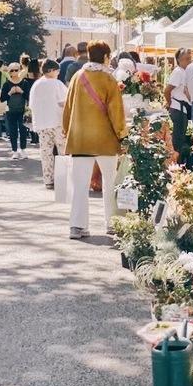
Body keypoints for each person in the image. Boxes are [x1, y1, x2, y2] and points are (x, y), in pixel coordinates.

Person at [63, 40, 127, 239]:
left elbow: (67, 108)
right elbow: (116, 112)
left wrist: (68, 131)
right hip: (105, 140)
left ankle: (77, 226)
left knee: (80, 184)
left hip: (80, 139)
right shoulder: (109, 79)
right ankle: (112, 224)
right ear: (106, 57)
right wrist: (122, 135)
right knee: (110, 183)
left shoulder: (77, 76)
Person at [29, 59, 68, 189]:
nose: (58, 73)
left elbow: (32, 105)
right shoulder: (57, 84)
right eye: (57, 70)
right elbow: (64, 102)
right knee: (63, 152)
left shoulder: (36, 85)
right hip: (57, 122)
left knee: (46, 153)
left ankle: (48, 179)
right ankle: (63, 179)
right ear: (51, 71)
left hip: (42, 123)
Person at [164, 48, 193, 169]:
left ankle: (178, 165)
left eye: (189, 59)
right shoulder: (178, 72)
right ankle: (177, 166)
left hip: (182, 108)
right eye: (186, 59)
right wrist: (170, 103)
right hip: (178, 108)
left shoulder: (184, 72)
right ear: (179, 60)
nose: (189, 61)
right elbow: (167, 90)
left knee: (179, 138)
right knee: (178, 140)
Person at [0, 63, 32, 160]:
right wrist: (10, 93)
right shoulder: (6, 84)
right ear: (9, 72)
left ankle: (23, 149)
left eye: (16, 70)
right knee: (12, 131)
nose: (14, 72)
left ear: (19, 70)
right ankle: (14, 150)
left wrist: (21, 91)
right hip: (11, 110)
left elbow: (29, 96)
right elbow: (2, 98)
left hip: (22, 110)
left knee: (23, 130)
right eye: (12, 70)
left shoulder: (25, 83)